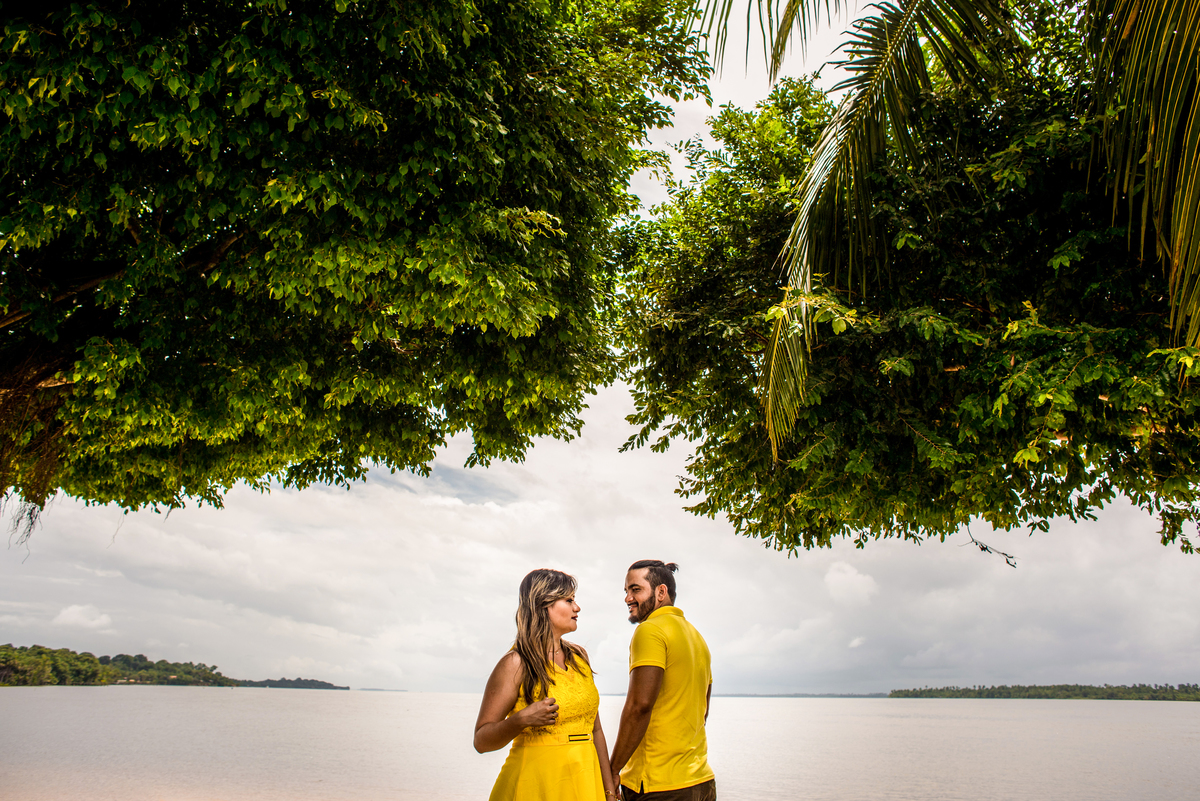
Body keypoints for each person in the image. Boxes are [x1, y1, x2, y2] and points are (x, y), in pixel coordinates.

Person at [475, 568, 619, 801]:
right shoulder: (515, 663)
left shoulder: (579, 657)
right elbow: (481, 741)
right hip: (534, 785)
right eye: (569, 600)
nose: (577, 607)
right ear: (544, 604)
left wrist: (609, 790)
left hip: (584, 781)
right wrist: (521, 720)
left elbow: (596, 730)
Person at [609, 560, 715, 801]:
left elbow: (639, 706)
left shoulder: (650, 630)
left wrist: (613, 769)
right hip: (701, 782)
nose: (627, 598)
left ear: (661, 592)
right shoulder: (697, 638)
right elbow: (703, 711)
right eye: (626, 591)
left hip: (660, 786)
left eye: (635, 589)